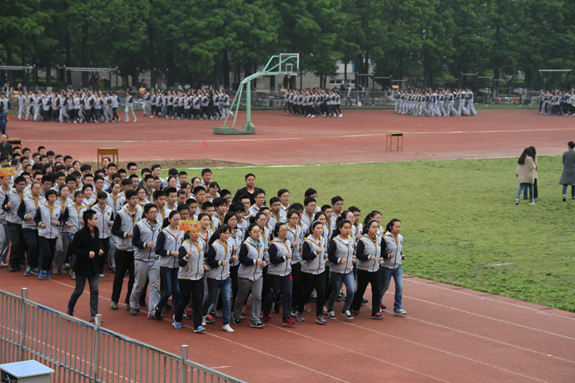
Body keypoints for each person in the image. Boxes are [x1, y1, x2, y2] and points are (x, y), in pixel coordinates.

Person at [66, 209, 105, 322]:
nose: (97, 220)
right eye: (95, 219)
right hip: (82, 267)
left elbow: (98, 242)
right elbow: (73, 249)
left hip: (94, 266)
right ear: (88, 221)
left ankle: (94, 314)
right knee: (79, 290)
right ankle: (70, 307)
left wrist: (100, 250)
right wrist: (87, 254)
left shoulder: (96, 231)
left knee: (95, 290)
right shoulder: (80, 233)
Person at [110, 189, 142, 310]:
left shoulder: (140, 211)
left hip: (135, 250)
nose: (135, 200)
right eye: (133, 198)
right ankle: (114, 300)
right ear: (127, 200)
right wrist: (125, 234)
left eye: (136, 198)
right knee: (119, 275)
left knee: (133, 278)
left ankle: (129, 301)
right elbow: (114, 229)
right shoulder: (121, 213)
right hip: (122, 249)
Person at [202, 224, 237, 333]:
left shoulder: (230, 245)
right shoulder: (215, 245)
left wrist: (232, 260)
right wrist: (220, 263)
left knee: (226, 300)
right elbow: (210, 260)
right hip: (214, 277)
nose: (227, 235)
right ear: (219, 233)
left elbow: (227, 259)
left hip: (226, 276)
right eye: (224, 233)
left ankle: (226, 323)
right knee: (211, 299)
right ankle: (203, 315)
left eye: (228, 233)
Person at [232, 223, 266, 329]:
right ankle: (236, 315)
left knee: (257, 297)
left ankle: (255, 320)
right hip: (245, 275)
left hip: (258, 275)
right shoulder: (246, 245)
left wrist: (263, 262)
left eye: (259, 231)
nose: (257, 234)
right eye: (254, 232)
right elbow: (242, 259)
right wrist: (255, 261)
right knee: (242, 296)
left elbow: (262, 257)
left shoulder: (261, 243)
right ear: (249, 233)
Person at [130, 203, 161, 318]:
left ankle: (152, 311)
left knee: (154, 285)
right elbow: (134, 241)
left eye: (156, 212)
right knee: (139, 284)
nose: (154, 214)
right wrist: (145, 245)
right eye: (152, 212)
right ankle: (133, 303)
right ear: (146, 214)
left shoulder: (159, 225)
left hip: (155, 259)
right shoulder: (139, 225)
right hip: (141, 258)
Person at [173, 226, 206, 332]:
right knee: (185, 299)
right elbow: (181, 263)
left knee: (197, 300)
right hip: (185, 277)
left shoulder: (200, 243)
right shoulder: (184, 246)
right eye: (194, 232)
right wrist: (187, 256)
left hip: (198, 276)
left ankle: (198, 325)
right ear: (189, 233)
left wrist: (203, 264)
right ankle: (177, 318)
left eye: (198, 232)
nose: (197, 234)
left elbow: (201, 257)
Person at [350, 219, 385, 319]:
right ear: (368, 228)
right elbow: (359, 254)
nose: (375, 229)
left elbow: (379, 251)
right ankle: (355, 307)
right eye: (373, 227)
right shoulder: (363, 240)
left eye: (376, 227)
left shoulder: (378, 238)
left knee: (377, 290)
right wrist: (369, 257)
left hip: (375, 269)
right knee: (361, 289)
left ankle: (375, 311)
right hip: (364, 270)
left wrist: (381, 258)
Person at [154, 210, 184, 320]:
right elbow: (158, 249)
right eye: (175, 220)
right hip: (166, 265)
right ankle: (158, 307)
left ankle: (177, 314)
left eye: (179, 220)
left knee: (177, 291)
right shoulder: (164, 233)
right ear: (169, 220)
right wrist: (171, 253)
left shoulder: (181, 231)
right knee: (168, 290)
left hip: (177, 266)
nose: (177, 222)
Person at [262, 222, 295, 325]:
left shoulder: (288, 242)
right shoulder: (273, 244)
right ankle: (265, 313)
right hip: (275, 274)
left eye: (286, 230)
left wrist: (289, 261)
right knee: (273, 295)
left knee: (288, 294)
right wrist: (285, 258)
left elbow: (288, 255)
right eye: (282, 230)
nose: (285, 232)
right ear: (277, 231)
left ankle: (286, 317)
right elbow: (272, 260)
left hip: (287, 273)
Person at [298, 220, 328, 324]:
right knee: (306, 293)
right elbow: (305, 256)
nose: (320, 230)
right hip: (308, 272)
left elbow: (323, 251)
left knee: (321, 293)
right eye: (318, 228)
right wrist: (316, 252)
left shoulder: (323, 239)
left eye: (321, 228)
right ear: (312, 230)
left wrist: (324, 256)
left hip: (321, 271)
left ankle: (319, 315)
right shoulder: (307, 242)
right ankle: (299, 311)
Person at [326, 219, 356, 320]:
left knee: (351, 291)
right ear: (340, 229)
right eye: (345, 228)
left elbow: (353, 252)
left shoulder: (351, 240)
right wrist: (339, 260)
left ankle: (346, 309)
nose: (348, 230)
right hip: (337, 271)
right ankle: (330, 309)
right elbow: (330, 256)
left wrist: (354, 258)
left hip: (348, 270)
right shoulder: (335, 241)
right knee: (336, 291)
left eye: (349, 228)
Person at [381, 219, 407, 316]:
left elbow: (398, 249)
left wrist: (401, 255)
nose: (398, 229)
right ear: (391, 227)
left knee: (399, 287)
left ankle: (397, 307)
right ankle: (377, 302)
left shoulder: (400, 237)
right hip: (386, 267)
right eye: (396, 227)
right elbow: (380, 252)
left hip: (398, 267)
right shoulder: (385, 238)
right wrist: (387, 255)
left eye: (399, 227)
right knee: (384, 287)